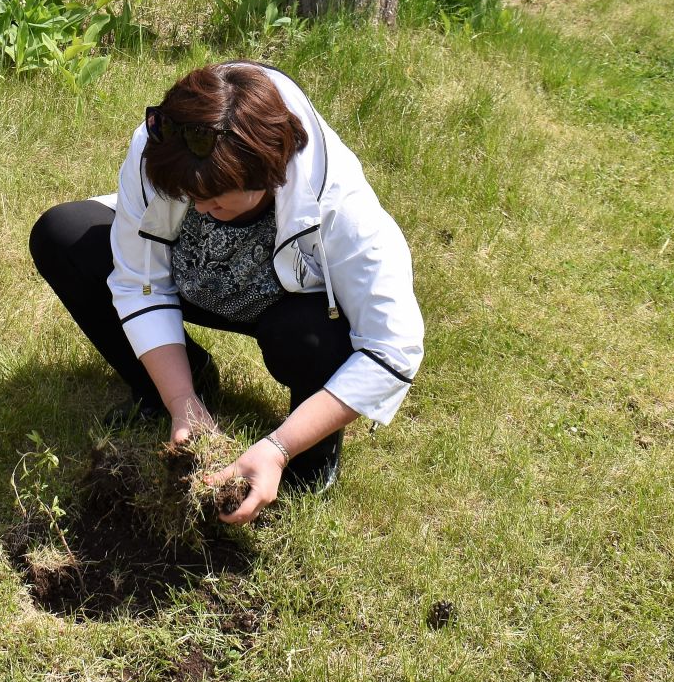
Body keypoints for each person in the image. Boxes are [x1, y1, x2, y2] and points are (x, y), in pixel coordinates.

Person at [30, 62, 425, 524]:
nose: (198, 208)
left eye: (215, 200)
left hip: (285, 305)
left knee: (313, 336)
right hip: (195, 279)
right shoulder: (162, 147)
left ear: (269, 175)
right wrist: (181, 399)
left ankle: (309, 453)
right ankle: (182, 385)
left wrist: (279, 448)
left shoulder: (341, 204)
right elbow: (140, 281)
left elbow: (391, 350)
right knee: (63, 236)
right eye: (186, 197)